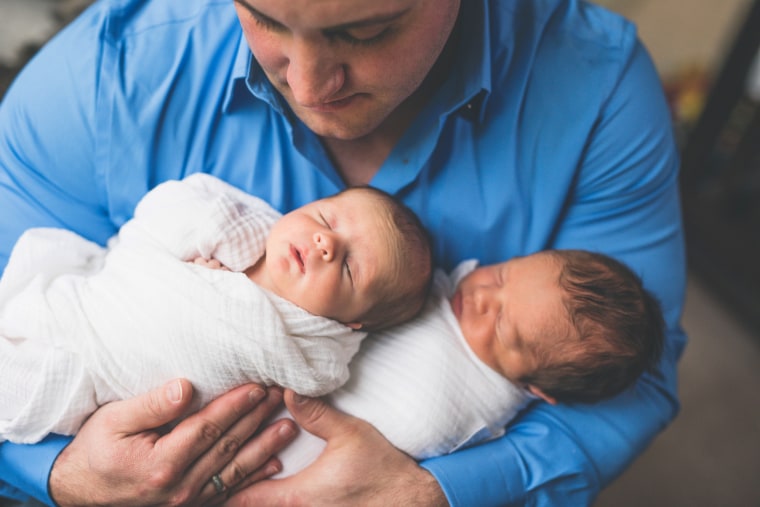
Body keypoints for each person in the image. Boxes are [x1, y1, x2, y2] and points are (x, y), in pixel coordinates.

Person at [0, 0, 687, 506]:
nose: (306, 85)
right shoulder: (107, 73)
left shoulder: (599, 92)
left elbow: (636, 377)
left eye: (364, 31)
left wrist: (435, 492)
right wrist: (61, 474)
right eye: (263, 19)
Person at [0, 172, 432, 444]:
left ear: (350, 323)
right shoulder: (239, 223)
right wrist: (213, 249)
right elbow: (167, 207)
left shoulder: (310, 350)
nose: (326, 244)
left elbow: (314, 379)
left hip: (103, 378)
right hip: (96, 309)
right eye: (325, 219)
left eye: (350, 268)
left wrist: (220, 284)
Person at [272, 249, 665, 478]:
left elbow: (417, 431)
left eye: (500, 327)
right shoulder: (444, 286)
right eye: (502, 276)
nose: (480, 297)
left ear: (535, 388)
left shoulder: (473, 405)